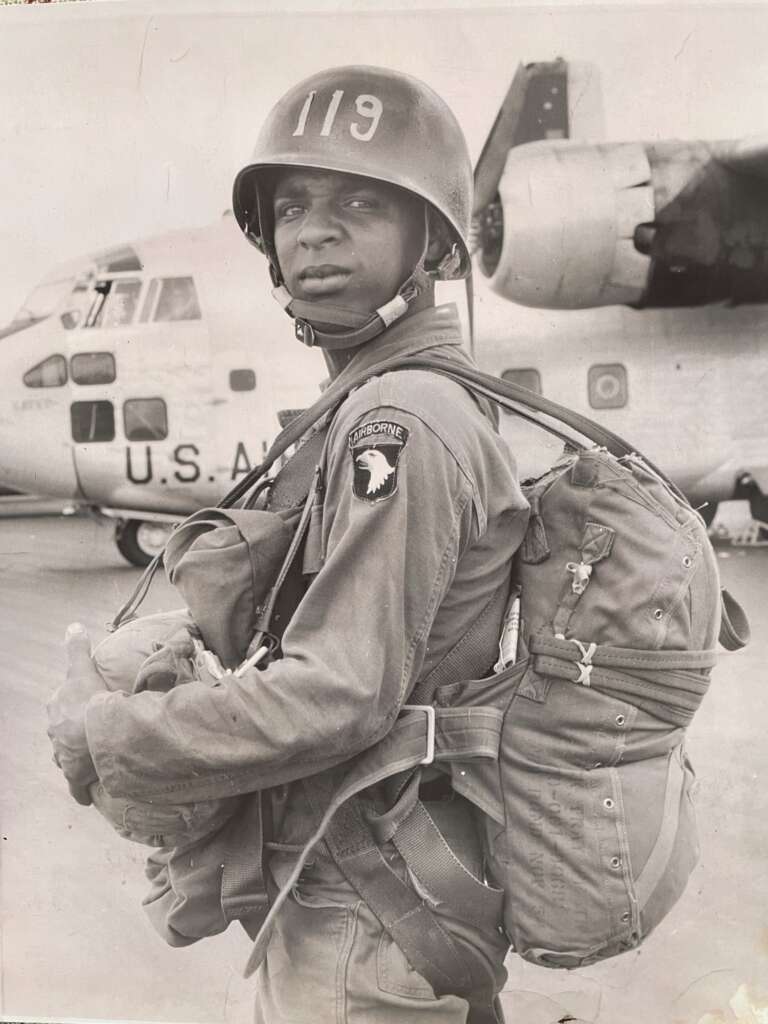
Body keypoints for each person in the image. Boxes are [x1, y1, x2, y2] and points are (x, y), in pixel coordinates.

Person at [47, 65, 530, 1023]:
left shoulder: (401, 414)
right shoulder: (370, 401)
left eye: (360, 201)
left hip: (366, 912)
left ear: (430, 240)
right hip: (360, 890)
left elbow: (342, 691)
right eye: (294, 206)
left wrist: (112, 737)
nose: (315, 229)